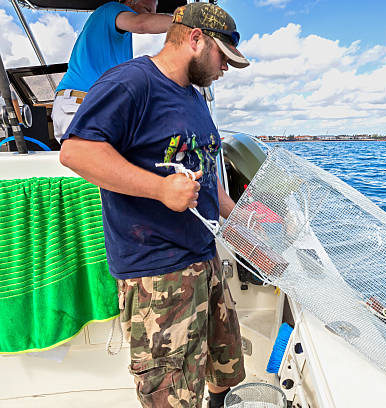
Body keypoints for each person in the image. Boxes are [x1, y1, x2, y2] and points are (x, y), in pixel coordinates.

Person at [59, 2, 250, 407]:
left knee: (225, 367)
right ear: (195, 39)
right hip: (158, 276)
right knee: (171, 397)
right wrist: (161, 190)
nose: (225, 69)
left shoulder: (194, 97)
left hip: (205, 260)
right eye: (223, 57)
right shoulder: (131, 82)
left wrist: (244, 219)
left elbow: (207, 176)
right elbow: (76, 152)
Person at [52, 0, 172, 143]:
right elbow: (141, 24)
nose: (152, 16)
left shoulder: (121, 41)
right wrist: (188, 23)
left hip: (89, 106)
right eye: (147, 10)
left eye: (154, 13)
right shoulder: (111, 9)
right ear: (130, 1)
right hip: (81, 104)